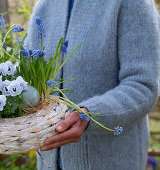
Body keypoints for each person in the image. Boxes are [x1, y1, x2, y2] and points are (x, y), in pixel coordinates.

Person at [24, 0, 160, 169]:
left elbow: (142, 86)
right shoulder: (45, 5)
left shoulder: (132, 3)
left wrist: (88, 115)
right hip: (48, 162)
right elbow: (26, 74)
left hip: (110, 161)